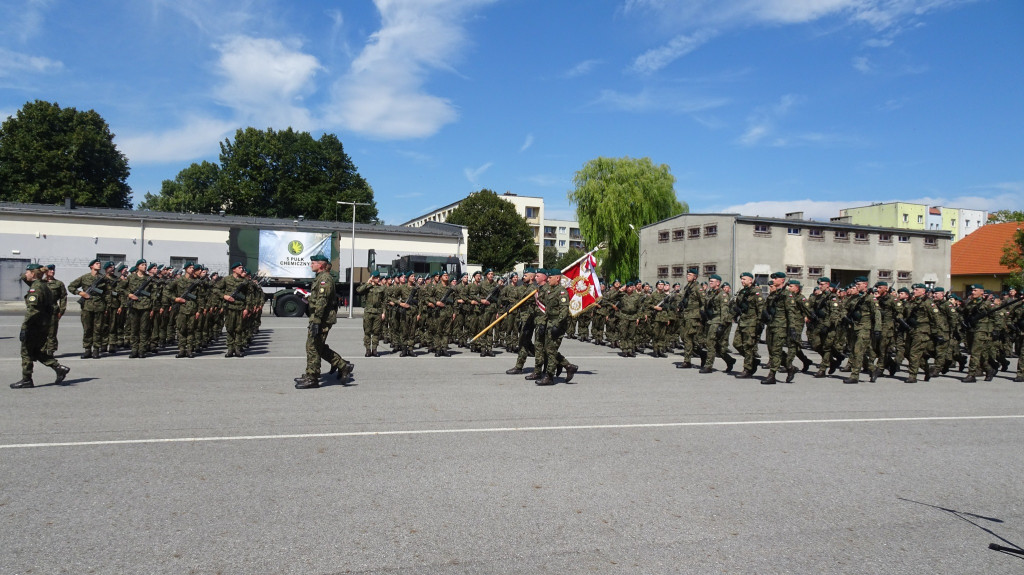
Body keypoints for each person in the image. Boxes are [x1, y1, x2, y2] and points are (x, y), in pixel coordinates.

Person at [295, 254, 353, 389]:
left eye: (313, 263)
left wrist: (316, 321)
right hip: (318, 317)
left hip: (322, 319)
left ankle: (313, 377)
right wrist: (305, 297)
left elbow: (322, 301)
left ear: (320, 265)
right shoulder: (320, 278)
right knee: (315, 346)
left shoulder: (325, 279)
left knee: (313, 347)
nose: (311, 265)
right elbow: (317, 300)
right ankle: (341, 366)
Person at [11, 263, 70, 389]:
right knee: (37, 351)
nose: (25, 274)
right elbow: (24, 277)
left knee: (26, 351)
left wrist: (24, 327)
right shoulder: (44, 285)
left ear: (33, 274)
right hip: (44, 324)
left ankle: (27, 379)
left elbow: (33, 310)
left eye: (27, 272)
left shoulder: (36, 288)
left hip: (35, 324)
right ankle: (58, 368)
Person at [67, 258, 109, 359]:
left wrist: (107, 307)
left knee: (98, 329)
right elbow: (71, 287)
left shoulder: (103, 278)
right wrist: (81, 293)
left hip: (99, 306)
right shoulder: (84, 277)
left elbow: (107, 293)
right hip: (87, 306)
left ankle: (96, 350)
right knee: (87, 328)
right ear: (91, 266)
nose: (99, 265)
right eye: (97, 263)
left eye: (99, 263)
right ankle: (87, 349)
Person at [43, 264, 68, 356]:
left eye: (53, 270)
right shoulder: (40, 282)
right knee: (41, 331)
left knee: (52, 332)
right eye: (50, 270)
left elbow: (63, 297)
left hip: (53, 310)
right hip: (42, 311)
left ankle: (50, 351)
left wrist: (61, 311)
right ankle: (42, 350)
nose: (52, 271)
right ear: (45, 271)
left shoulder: (59, 283)